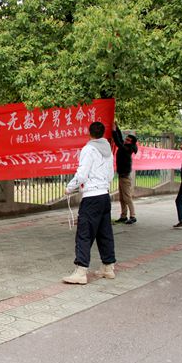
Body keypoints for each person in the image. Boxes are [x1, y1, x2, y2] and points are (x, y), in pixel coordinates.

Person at [63, 121, 116, 285]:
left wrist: (69, 188)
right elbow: (111, 174)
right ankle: (108, 267)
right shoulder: (108, 150)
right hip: (104, 196)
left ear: (89, 132)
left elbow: (82, 174)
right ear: (103, 133)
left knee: (84, 234)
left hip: (91, 197)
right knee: (104, 233)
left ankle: (81, 271)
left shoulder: (89, 149)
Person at [112, 123, 138, 224]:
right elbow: (120, 139)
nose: (126, 140)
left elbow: (118, 142)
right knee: (122, 198)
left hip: (125, 177)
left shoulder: (128, 149)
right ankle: (123, 216)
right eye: (126, 139)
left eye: (128, 140)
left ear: (131, 142)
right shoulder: (125, 146)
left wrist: (114, 131)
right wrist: (117, 128)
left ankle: (133, 216)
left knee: (127, 197)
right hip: (121, 176)